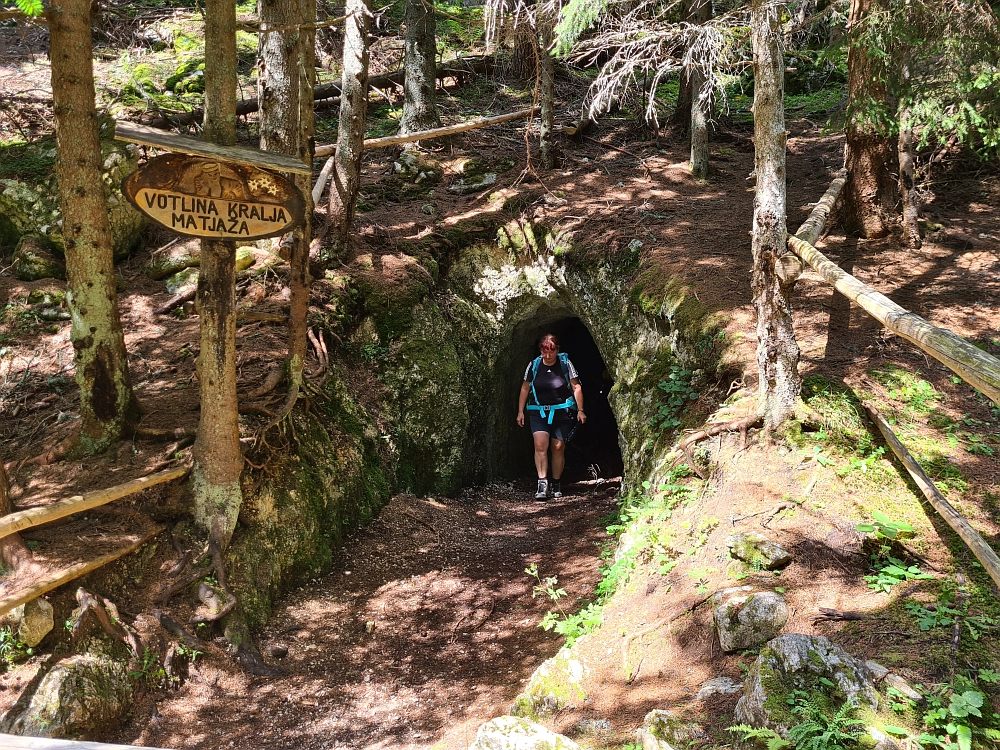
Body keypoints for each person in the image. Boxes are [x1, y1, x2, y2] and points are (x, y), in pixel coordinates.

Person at [517, 334, 586, 500]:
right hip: (538, 411)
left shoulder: (565, 364)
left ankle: (556, 482)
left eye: (551, 352)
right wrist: (520, 411)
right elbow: (525, 388)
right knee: (540, 445)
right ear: (540, 350)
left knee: (557, 447)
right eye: (544, 351)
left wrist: (580, 409)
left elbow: (576, 387)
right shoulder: (533, 365)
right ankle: (542, 483)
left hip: (562, 412)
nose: (548, 356)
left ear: (557, 350)